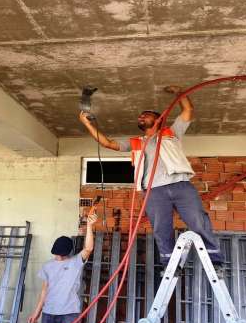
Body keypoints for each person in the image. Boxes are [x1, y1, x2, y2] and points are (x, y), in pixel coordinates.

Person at [78, 86, 224, 268]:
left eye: (145, 114)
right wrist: (87, 124)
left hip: (181, 185)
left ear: (158, 119)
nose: (141, 117)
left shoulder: (172, 133)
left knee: (198, 220)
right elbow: (108, 143)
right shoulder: (136, 142)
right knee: (161, 229)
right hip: (154, 192)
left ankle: (214, 258)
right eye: (140, 116)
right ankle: (169, 262)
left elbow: (188, 110)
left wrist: (180, 93)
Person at [28, 214, 97, 323]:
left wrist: (89, 226)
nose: (58, 256)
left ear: (67, 252)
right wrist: (36, 312)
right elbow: (44, 291)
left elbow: (88, 248)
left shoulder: (75, 262)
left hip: (69, 313)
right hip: (49, 313)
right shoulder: (47, 266)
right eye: (56, 253)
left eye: (60, 254)